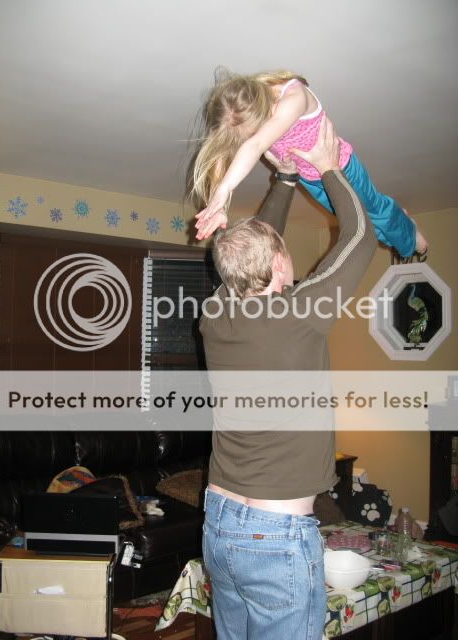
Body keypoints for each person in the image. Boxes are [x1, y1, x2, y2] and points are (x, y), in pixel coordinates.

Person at [199, 116, 377, 640]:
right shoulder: (299, 311)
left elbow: (251, 254)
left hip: (220, 525)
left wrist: (286, 180)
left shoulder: (214, 314)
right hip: (273, 534)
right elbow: (362, 238)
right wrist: (325, 165)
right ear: (279, 263)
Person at [192, 69, 427, 257]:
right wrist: (218, 204)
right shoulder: (253, 111)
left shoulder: (294, 97)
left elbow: (255, 145)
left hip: (342, 168)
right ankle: (401, 223)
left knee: (375, 208)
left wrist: (225, 188)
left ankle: (412, 238)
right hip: (313, 181)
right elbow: (222, 156)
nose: (251, 138)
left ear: (262, 112)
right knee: (359, 220)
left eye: (253, 132)